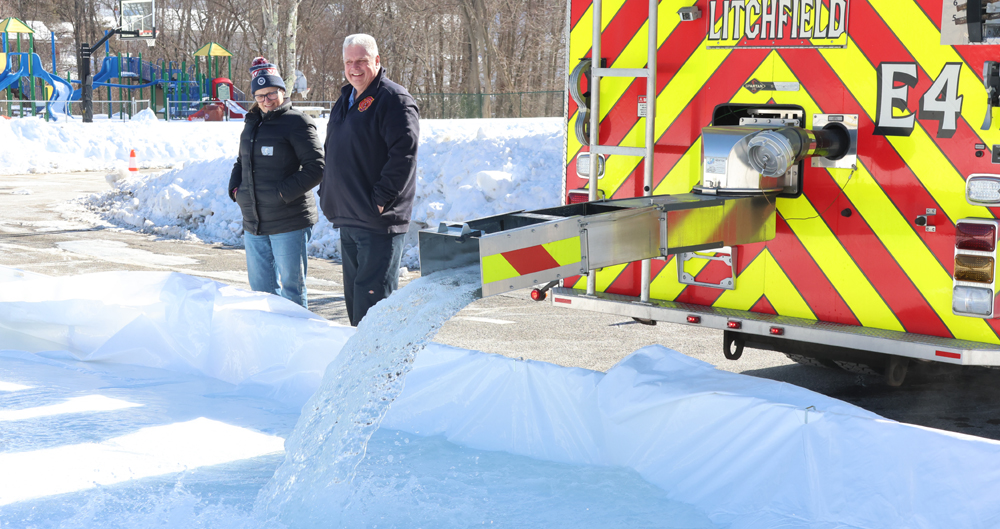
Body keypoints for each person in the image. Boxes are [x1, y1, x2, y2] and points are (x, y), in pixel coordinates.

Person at [319, 33, 420, 326]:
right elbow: (333, 151)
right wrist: (328, 193)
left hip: (378, 222)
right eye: (349, 62)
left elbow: (403, 156)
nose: (355, 68)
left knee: (375, 310)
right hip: (348, 217)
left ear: (377, 61)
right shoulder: (345, 99)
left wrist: (379, 201)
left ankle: (382, 371)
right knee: (355, 304)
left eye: (362, 61)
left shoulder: (393, 99)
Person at [229, 57, 325, 308]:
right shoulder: (252, 123)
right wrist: (236, 190)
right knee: (261, 292)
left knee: (292, 291)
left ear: (282, 90)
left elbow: (317, 167)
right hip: (254, 223)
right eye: (259, 96)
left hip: (289, 221)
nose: (266, 100)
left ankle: (299, 342)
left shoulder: (297, 122)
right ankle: (269, 344)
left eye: (271, 93)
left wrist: (281, 195)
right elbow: (241, 161)